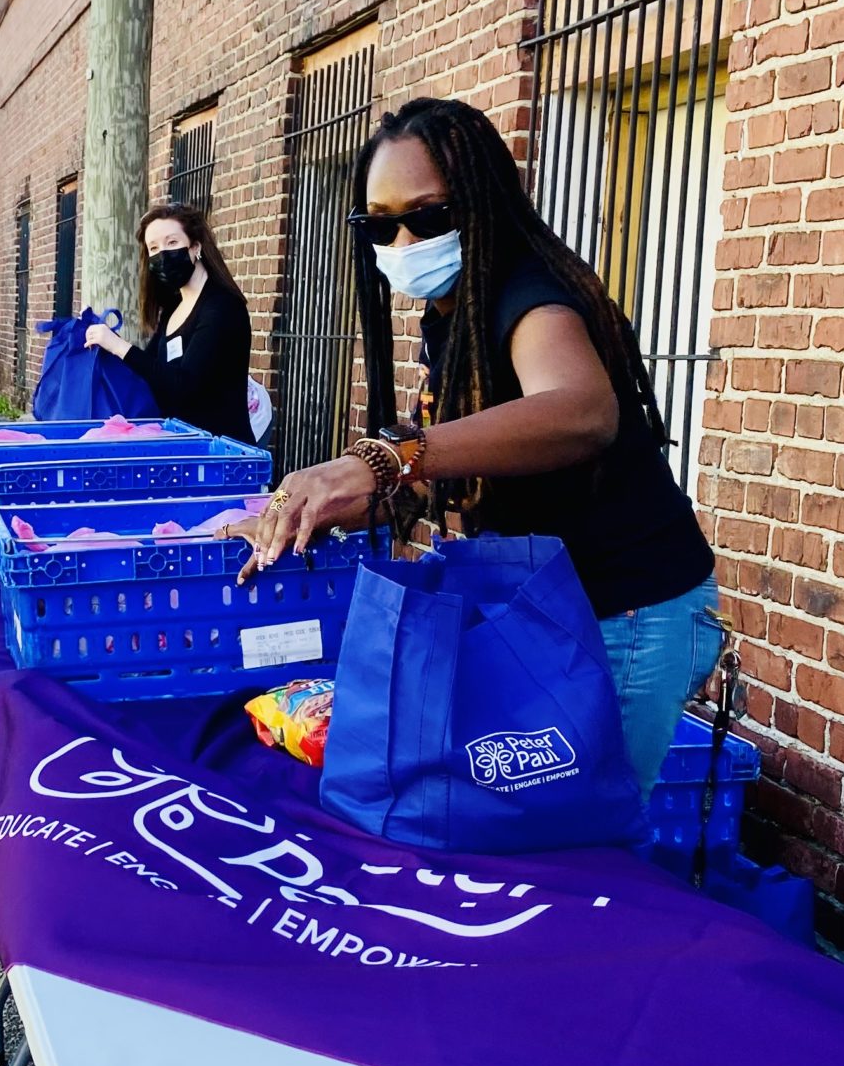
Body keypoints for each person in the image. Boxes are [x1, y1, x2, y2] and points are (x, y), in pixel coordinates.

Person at [243, 96, 722, 793]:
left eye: (428, 217)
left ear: (480, 201)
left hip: (628, 611)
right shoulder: (452, 314)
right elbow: (436, 476)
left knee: (581, 832)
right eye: (379, 225)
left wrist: (387, 457)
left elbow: (582, 411)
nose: (403, 243)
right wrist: (299, 514)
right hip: (554, 610)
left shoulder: (529, 295)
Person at [84, 203, 254, 444]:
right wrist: (102, 344)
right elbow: (149, 372)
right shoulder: (174, 308)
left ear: (195, 247)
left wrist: (118, 346)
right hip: (183, 443)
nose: (162, 255)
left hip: (221, 450)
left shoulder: (222, 307)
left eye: (172, 242)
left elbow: (183, 386)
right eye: (153, 248)